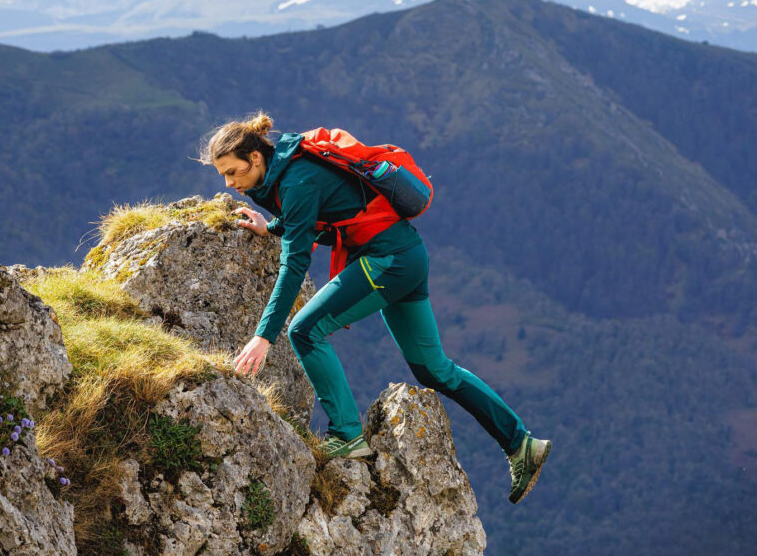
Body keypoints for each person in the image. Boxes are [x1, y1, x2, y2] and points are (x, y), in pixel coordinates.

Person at [198, 110, 551, 504]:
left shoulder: (296, 179)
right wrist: (272, 227)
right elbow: (323, 211)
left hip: (387, 260)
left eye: (232, 172)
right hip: (407, 254)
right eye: (223, 177)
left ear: (256, 158)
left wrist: (263, 335)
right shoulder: (292, 168)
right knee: (434, 369)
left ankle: (346, 435)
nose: (230, 184)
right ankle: (522, 444)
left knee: (304, 330)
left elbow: (295, 261)